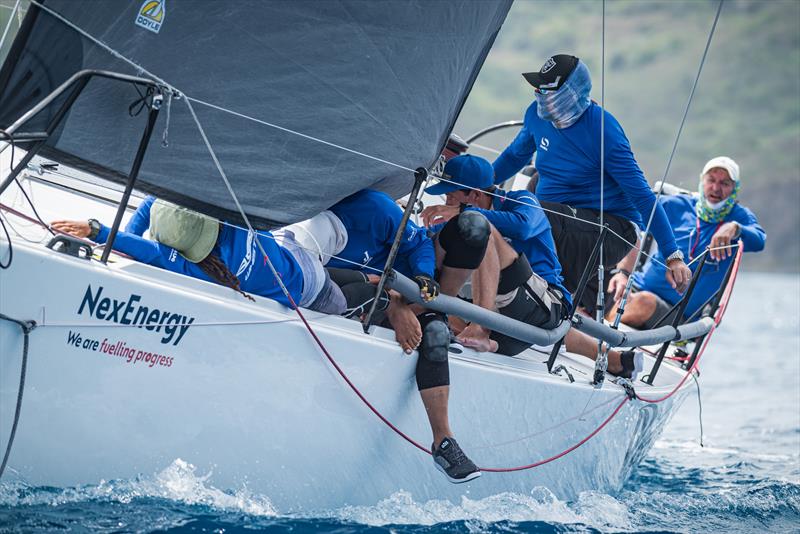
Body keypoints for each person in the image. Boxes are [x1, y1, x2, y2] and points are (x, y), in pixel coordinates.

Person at [286, 188, 482, 484]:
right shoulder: (294, 235)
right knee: (362, 293)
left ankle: (443, 442)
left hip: (406, 294)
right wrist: (390, 302)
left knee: (437, 332)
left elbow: (418, 246)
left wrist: (423, 276)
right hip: (365, 296)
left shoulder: (376, 209)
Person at [491, 54, 692, 314]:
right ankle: (489, 299)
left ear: (571, 93)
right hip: (558, 216)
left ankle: (540, 307)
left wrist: (673, 256)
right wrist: (473, 187)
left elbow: (643, 197)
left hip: (612, 228)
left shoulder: (604, 131)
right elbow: (513, 157)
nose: (538, 93)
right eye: (536, 87)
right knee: (504, 211)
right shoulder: (535, 116)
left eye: (546, 89)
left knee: (533, 216)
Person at [421, 154, 643, 379]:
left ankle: (480, 326)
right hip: (512, 332)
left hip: (547, 306)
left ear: (475, 195)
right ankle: (615, 360)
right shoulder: (465, 217)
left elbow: (523, 227)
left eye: (450, 196)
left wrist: (464, 214)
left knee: (481, 230)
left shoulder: (522, 201)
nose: (445, 202)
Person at [51, 198, 346, 314]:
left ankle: (380, 297)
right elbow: (155, 199)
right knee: (356, 278)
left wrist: (102, 233)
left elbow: (152, 253)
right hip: (297, 255)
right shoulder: (232, 209)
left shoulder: (208, 270)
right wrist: (99, 231)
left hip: (311, 294)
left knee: (349, 305)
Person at [609, 156, 766, 328]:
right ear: (702, 180)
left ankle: (600, 334)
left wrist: (735, 228)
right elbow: (631, 224)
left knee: (644, 302)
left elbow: (759, 241)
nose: (715, 188)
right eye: (711, 180)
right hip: (636, 289)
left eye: (725, 183)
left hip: (677, 315)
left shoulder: (740, 216)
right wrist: (623, 272)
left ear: (734, 189)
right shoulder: (675, 205)